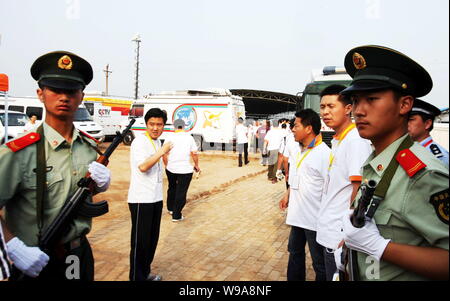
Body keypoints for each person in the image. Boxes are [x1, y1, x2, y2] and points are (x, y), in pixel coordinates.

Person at [336, 45, 448, 280]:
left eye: (372, 99)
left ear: (404, 105)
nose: (359, 111)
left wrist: (381, 248)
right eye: (356, 101)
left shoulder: (422, 173)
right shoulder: (378, 160)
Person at [0, 51, 111, 280]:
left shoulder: (88, 146)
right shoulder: (19, 153)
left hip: (76, 255)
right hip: (33, 259)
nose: (64, 97)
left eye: (71, 91)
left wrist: (100, 185)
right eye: (55, 89)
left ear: (81, 97)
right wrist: (13, 247)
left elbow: (82, 192)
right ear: (40, 94)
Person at [315, 84, 373, 280]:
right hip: (328, 232)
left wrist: (348, 236)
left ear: (348, 108)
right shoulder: (338, 139)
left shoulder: (355, 140)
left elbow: (358, 189)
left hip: (338, 237)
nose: (325, 112)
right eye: (322, 107)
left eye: (331, 106)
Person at [279, 109, 331, 281]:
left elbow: (331, 189)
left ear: (308, 129)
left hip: (314, 220)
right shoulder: (297, 149)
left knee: (319, 264)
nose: (292, 129)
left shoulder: (325, 154)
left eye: (296, 125)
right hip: (297, 216)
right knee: (294, 253)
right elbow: (296, 176)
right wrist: (287, 194)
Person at [127, 108, 173, 281]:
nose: (155, 128)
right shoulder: (139, 142)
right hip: (141, 198)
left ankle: (145, 273)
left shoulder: (157, 142)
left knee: (152, 240)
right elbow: (143, 167)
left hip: (155, 198)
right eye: (152, 124)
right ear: (146, 124)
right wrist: (162, 152)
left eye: (159, 124)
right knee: (140, 243)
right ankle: (136, 277)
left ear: (163, 126)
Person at [163, 119, 200, 222]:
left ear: (174, 127)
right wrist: (196, 165)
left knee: (172, 188)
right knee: (181, 191)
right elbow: (194, 153)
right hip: (185, 170)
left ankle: (170, 208)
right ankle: (176, 215)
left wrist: (166, 165)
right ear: (184, 127)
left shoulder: (169, 138)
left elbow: (164, 153)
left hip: (171, 168)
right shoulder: (189, 138)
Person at [408, 98, 448, 167]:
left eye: (411, 119)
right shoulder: (408, 150)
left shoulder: (438, 157)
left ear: (427, 124)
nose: (405, 124)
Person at [264, 119, 286, 183]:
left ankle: (270, 176)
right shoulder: (282, 132)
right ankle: (274, 178)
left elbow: (266, 141)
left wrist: (264, 149)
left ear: (272, 125)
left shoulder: (270, 132)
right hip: (278, 149)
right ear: (279, 124)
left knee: (270, 164)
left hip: (270, 149)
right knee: (276, 165)